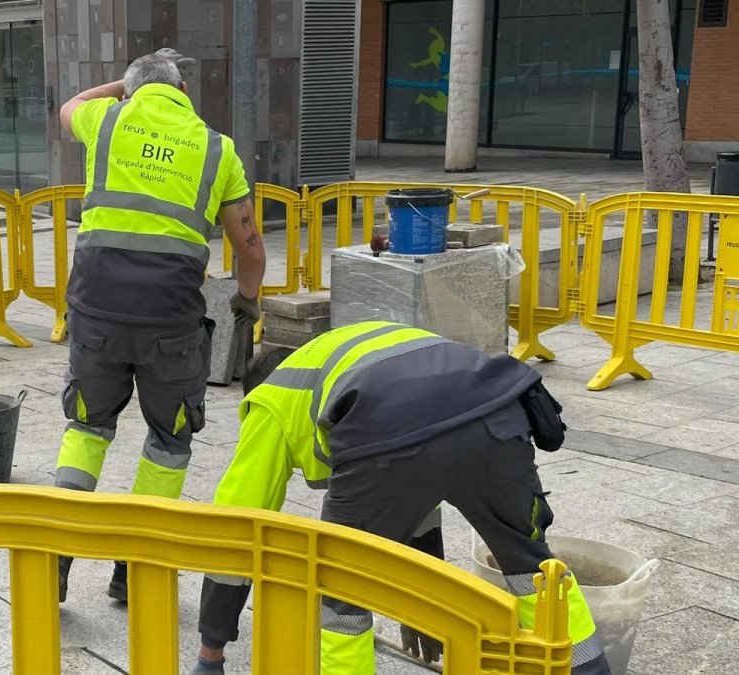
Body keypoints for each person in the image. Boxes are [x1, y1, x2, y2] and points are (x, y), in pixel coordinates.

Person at [191, 321, 610, 675]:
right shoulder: (354, 346)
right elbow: (421, 490)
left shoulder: (272, 396)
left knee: (341, 593)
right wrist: (420, 610)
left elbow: (236, 530)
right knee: (532, 568)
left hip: (388, 440)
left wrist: (211, 654)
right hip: (497, 412)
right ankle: (588, 667)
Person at [52, 47, 267, 604]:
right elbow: (250, 250)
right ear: (184, 93)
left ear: (131, 90)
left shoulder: (106, 120)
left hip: (96, 311)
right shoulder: (218, 149)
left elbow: (68, 107)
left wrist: (122, 87)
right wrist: (246, 302)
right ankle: (135, 566)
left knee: (87, 427)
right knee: (169, 438)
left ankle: (56, 554)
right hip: (170, 320)